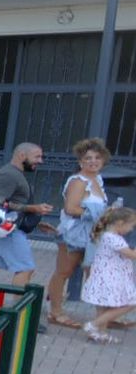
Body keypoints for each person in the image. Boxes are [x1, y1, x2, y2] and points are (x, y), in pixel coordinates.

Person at [0, 142, 53, 315]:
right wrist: (32, 209)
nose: (40, 160)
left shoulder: (15, 174)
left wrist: (36, 221)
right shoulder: (9, 175)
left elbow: (9, 203)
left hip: (7, 228)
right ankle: (19, 313)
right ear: (22, 155)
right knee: (25, 268)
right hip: (8, 230)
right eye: (37, 156)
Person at [46, 138, 111, 328]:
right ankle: (55, 312)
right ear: (80, 161)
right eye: (88, 158)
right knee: (63, 271)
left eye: (97, 157)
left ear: (103, 160)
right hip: (73, 235)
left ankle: (105, 317)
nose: (93, 161)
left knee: (95, 273)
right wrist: (97, 215)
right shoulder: (79, 181)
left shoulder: (97, 180)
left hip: (92, 236)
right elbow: (70, 209)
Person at [81, 207, 136, 343]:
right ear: (120, 223)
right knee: (130, 303)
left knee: (104, 305)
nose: (131, 229)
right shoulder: (113, 238)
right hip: (111, 277)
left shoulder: (108, 235)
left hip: (105, 276)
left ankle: (100, 333)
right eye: (131, 226)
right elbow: (131, 255)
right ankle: (93, 324)